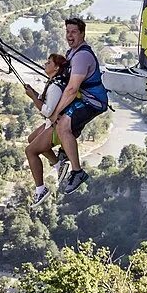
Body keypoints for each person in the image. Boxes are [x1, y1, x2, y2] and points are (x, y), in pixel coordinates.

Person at [48, 17, 109, 195]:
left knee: (63, 125)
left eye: (74, 32)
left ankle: (77, 172)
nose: (69, 35)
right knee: (63, 124)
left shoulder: (81, 56)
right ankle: (65, 151)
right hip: (85, 98)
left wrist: (55, 111)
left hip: (92, 101)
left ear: (82, 33)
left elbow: (73, 88)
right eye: (67, 32)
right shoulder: (72, 53)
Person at [23, 53, 68, 206]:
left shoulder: (55, 86)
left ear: (56, 67)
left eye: (49, 62)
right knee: (31, 140)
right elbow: (45, 102)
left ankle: (40, 189)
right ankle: (57, 165)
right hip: (53, 122)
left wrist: (34, 98)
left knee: (30, 150)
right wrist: (33, 94)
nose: (45, 63)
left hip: (56, 124)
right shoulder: (53, 82)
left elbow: (48, 111)